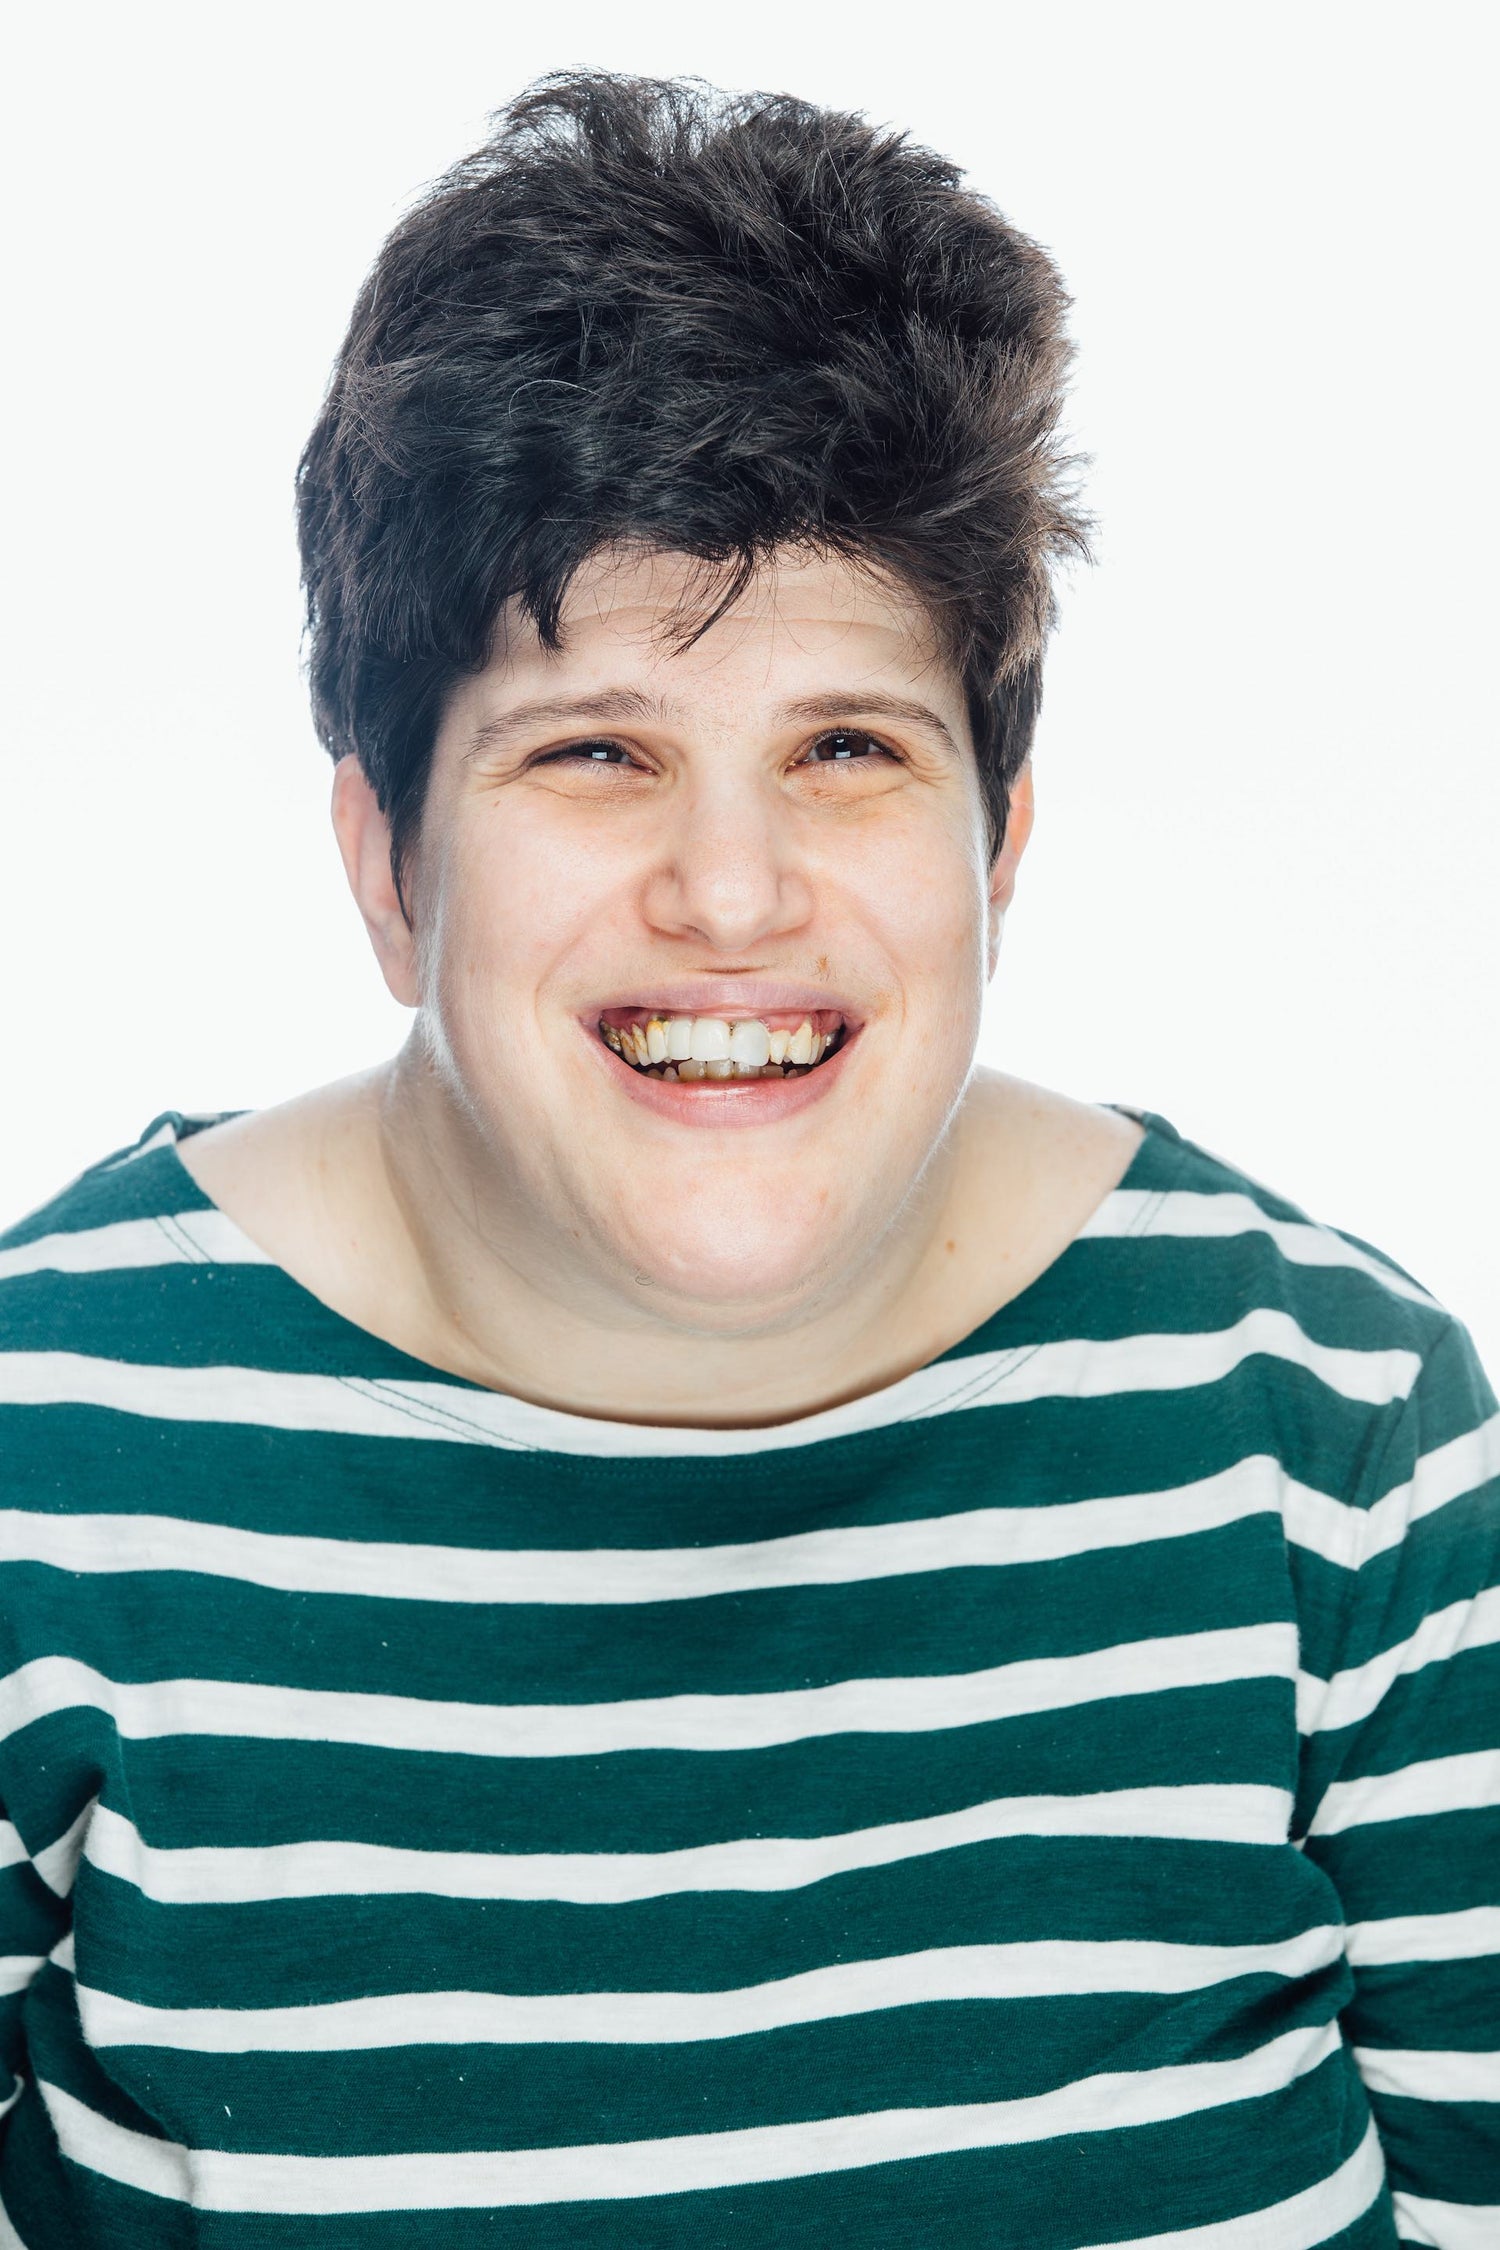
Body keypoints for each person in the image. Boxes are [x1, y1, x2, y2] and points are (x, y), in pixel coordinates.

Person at [0, 67, 1494, 2250]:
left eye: (849, 748)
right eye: (593, 748)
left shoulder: (1337, 1442)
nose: (733, 892)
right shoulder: (52, 1458)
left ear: (1000, 844)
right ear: (387, 865)